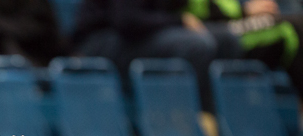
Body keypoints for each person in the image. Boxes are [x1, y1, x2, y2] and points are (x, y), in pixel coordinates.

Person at [71, 0, 242, 110]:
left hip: (142, 34)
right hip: (101, 41)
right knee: (197, 46)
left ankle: (223, 125)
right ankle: (176, 124)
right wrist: (179, 21)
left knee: (227, 40)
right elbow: (128, 21)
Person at [187, 0, 303, 97]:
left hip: (234, 22)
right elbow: (202, 10)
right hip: (213, 28)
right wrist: (245, 10)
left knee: (296, 23)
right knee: (293, 27)